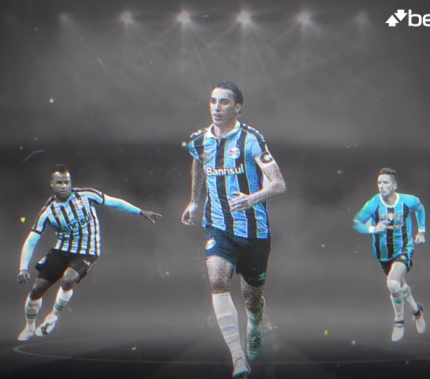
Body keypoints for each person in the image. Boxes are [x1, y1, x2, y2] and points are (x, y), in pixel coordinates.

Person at [182, 81, 286, 379]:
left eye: (224, 102)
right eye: (213, 101)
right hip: (219, 227)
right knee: (217, 280)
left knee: (252, 298)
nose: (216, 107)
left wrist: (251, 199)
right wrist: (194, 201)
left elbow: (279, 184)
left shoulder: (251, 140)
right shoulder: (199, 141)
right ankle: (238, 358)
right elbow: (198, 165)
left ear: (237, 107)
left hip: (254, 233)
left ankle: (254, 325)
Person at [16, 164, 161, 341]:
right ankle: (29, 326)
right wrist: (23, 268)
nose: (64, 186)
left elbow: (115, 202)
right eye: (59, 182)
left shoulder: (86, 195)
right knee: (37, 288)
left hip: (87, 250)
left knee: (69, 278)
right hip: (61, 250)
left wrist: (140, 212)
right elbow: (32, 239)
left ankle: (53, 316)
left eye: (67, 182)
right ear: (52, 184)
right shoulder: (48, 211)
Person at [353, 168, 426, 342]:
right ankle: (417, 311)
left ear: (394, 185)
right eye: (379, 182)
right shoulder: (374, 203)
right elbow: (356, 223)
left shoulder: (407, 201)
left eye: (385, 182)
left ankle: (399, 322)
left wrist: (421, 231)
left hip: (403, 249)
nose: (381, 186)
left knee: (393, 283)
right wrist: (373, 228)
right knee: (399, 286)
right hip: (383, 254)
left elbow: (419, 207)